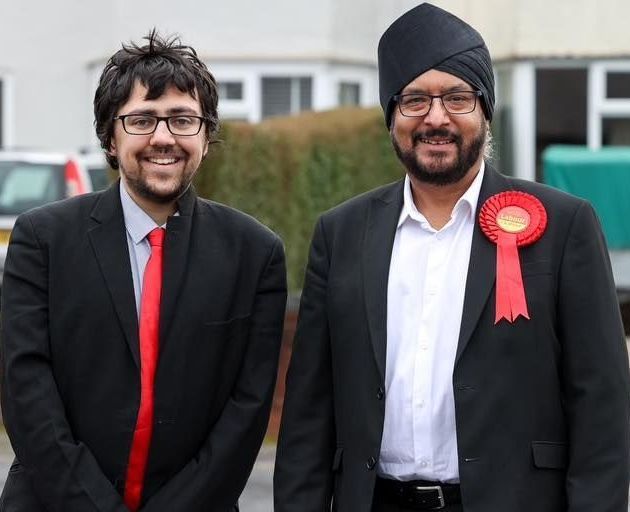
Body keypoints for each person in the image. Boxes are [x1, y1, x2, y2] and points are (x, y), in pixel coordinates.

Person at [273, 4, 630, 512]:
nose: (436, 118)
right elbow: (309, 410)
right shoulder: (341, 233)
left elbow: (602, 404)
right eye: (415, 100)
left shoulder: (563, 225)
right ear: (392, 116)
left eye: (458, 98)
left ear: (485, 111)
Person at [0, 30, 287, 512]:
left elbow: (247, 409)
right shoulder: (42, 240)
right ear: (110, 139)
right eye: (141, 120)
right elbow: (26, 391)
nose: (163, 137)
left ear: (206, 138)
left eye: (183, 120)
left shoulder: (254, 254)